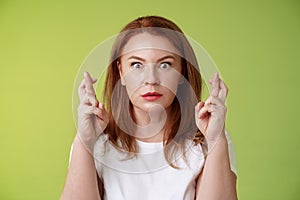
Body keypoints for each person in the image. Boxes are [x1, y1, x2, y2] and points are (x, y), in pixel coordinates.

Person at [61, 16, 238, 200]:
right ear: (121, 72)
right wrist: (84, 141)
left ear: (181, 72)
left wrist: (216, 140)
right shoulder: (96, 141)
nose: (151, 79)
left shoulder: (207, 140)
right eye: (137, 65)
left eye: (165, 64)